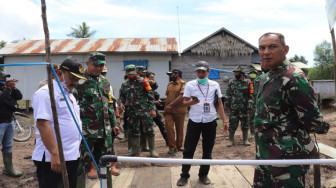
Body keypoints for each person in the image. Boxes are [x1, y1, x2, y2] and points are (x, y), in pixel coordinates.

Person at [253, 32, 330, 187]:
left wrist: (324, 128)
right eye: (262, 48)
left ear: (285, 49)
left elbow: (312, 120)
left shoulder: (294, 77)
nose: (266, 52)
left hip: (287, 157)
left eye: (272, 47)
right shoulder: (264, 78)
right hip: (265, 153)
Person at [31, 59, 86, 188]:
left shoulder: (69, 94)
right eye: (72, 78)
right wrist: (55, 154)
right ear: (60, 73)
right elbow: (43, 124)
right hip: (54, 157)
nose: (75, 82)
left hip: (71, 155)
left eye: (77, 80)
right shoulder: (46, 93)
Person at [176, 61, 228, 186]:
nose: (200, 73)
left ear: (208, 72)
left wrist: (225, 120)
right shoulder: (190, 85)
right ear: (195, 72)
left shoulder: (215, 85)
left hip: (210, 121)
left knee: (208, 150)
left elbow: (219, 103)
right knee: (188, 150)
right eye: (198, 71)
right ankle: (184, 175)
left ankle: (203, 174)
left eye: (203, 71)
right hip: (195, 121)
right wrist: (190, 103)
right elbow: (184, 102)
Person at [74, 52, 120, 179]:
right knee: (85, 157)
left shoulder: (104, 81)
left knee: (105, 156)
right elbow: (72, 105)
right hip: (87, 127)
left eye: (101, 66)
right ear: (87, 63)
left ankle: (105, 177)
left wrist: (114, 123)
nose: (98, 68)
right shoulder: (79, 81)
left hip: (105, 128)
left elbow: (108, 104)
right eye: (95, 65)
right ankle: (84, 177)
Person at [119, 64, 158, 157]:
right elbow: (122, 96)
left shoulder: (144, 81)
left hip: (144, 110)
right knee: (133, 130)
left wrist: (152, 109)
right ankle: (135, 151)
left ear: (136, 72)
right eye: (129, 74)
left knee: (149, 129)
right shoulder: (125, 84)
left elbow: (150, 96)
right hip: (132, 111)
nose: (131, 76)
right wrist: (121, 102)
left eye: (132, 74)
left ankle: (152, 150)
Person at [0, 71, 22, 177]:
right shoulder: (4, 91)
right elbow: (2, 100)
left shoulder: (5, 90)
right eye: (2, 78)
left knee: (8, 146)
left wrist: (13, 88)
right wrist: (8, 89)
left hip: (9, 121)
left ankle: (8, 168)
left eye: (5, 78)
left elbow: (19, 96)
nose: (5, 80)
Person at [224, 65, 253, 146]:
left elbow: (251, 95)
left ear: (242, 73)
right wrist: (227, 106)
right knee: (232, 124)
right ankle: (231, 140)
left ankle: (245, 140)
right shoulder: (231, 82)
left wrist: (250, 106)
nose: (235, 74)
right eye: (235, 73)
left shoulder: (248, 82)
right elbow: (227, 95)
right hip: (234, 108)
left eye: (237, 73)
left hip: (244, 108)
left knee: (245, 124)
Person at [100, 65, 121, 176]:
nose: (103, 76)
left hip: (108, 118)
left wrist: (117, 119)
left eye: (104, 73)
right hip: (93, 122)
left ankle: (112, 166)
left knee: (109, 144)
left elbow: (113, 103)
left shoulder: (108, 85)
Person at [163, 69, 187, 155]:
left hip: (179, 110)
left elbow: (182, 95)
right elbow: (168, 96)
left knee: (179, 128)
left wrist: (171, 104)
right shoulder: (170, 84)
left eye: (171, 74)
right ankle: (172, 147)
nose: (170, 76)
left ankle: (179, 146)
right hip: (168, 110)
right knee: (169, 128)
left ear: (177, 74)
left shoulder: (183, 83)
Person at [146, 71, 168, 146]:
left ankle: (168, 141)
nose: (153, 79)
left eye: (153, 78)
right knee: (147, 127)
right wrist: (154, 102)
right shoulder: (141, 85)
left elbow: (155, 89)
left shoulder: (153, 86)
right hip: (144, 109)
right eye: (151, 78)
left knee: (161, 124)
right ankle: (145, 145)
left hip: (153, 108)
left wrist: (156, 101)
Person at [247, 68, 259, 139]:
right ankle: (252, 133)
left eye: (254, 73)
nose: (252, 75)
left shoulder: (260, 82)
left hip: (259, 103)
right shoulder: (247, 83)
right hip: (250, 104)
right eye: (251, 73)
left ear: (257, 75)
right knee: (251, 119)